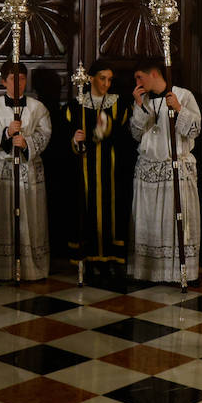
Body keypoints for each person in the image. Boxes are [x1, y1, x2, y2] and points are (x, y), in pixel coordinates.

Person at [0, 62, 51, 280]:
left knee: (29, 220)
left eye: (22, 79)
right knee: (0, 218)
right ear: (4, 81)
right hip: (1, 174)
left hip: (27, 172)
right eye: (13, 79)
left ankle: (29, 267)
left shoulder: (37, 108)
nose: (18, 84)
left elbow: (44, 134)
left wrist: (26, 143)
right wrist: (6, 133)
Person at [128, 60, 201, 284]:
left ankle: (178, 273)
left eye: (140, 77)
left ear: (153, 74)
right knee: (149, 221)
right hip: (149, 170)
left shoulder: (183, 95)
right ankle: (149, 271)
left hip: (175, 169)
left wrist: (179, 109)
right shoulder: (143, 100)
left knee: (175, 222)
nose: (137, 83)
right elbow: (135, 133)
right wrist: (139, 107)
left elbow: (195, 129)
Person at [61, 60, 131, 278]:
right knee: (86, 210)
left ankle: (111, 258)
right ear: (91, 78)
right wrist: (75, 139)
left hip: (112, 170)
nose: (106, 84)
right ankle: (88, 259)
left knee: (112, 213)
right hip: (84, 169)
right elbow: (63, 138)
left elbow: (127, 137)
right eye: (102, 78)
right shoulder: (76, 106)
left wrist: (107, 129)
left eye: (110, 79)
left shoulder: (118, 104)